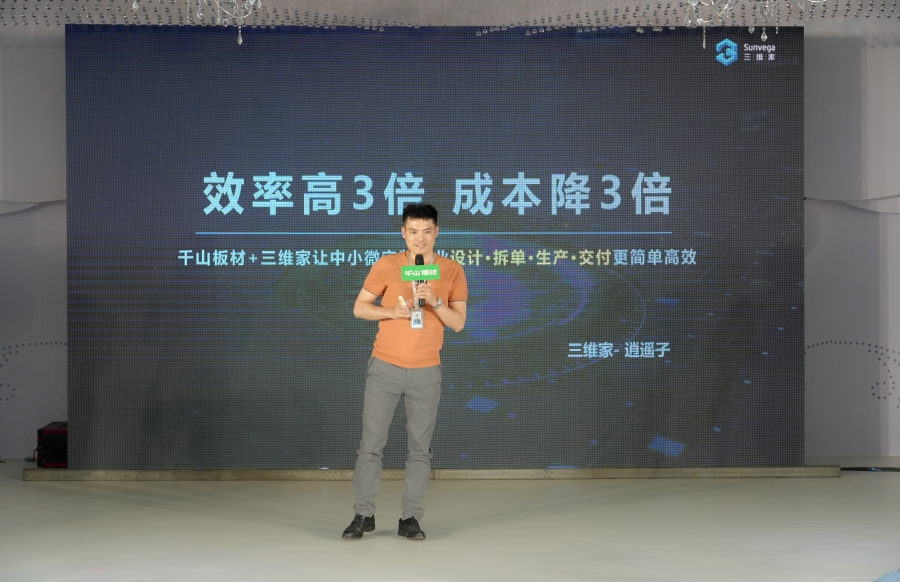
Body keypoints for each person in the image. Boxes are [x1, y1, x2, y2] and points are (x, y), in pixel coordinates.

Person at [342, 203, 468, 541]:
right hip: (385, 365)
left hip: (426, 369)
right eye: (413, 231)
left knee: (419, 449)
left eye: (427, 231)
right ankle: (363, 514)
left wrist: (435, 301)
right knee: (371, 445)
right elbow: (360, 308)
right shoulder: (387, 264)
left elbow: (458, 323)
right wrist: (392, 312)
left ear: (436, 232)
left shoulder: (451, 270)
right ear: (403, 233)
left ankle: (410, 517)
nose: (420, 238)